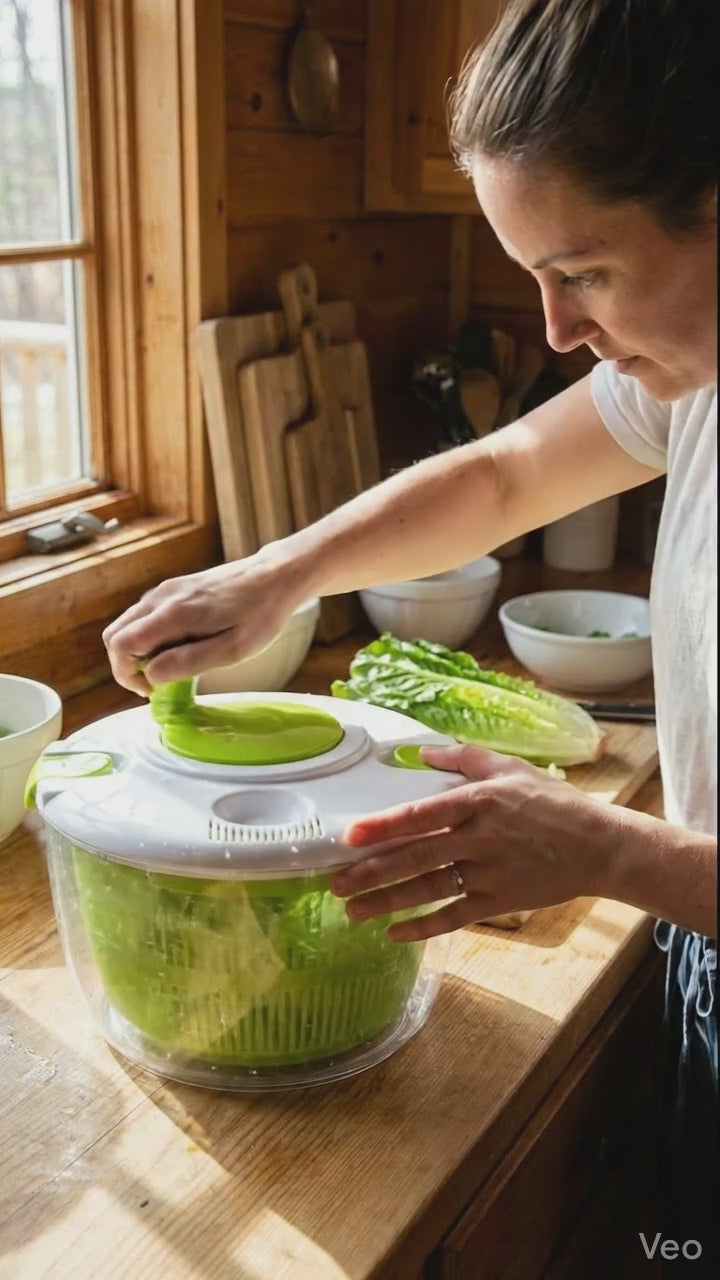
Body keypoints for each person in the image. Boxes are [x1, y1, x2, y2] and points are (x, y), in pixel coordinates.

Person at [104, 0, 716, 1267]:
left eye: (584, 271)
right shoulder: (694, 376)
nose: (556, 330)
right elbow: (504, 473)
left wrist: (612, 847)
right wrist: (280, 572)